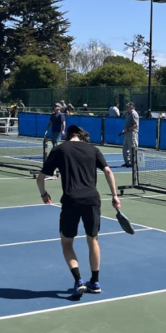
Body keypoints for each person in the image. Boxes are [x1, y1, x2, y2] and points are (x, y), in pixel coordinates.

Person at [35, 125, 121, 296]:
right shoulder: (93, 149)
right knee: (93, 240)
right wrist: (115, 196)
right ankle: (95, 282)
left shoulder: (60, 150)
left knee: (67, 243)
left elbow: (40, 178)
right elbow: (108, 171)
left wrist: (44, 194)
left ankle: (78, 281)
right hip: (92, 200)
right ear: (82, 136)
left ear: (68, 135)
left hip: (71, 201)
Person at [119, 102, 139, 168]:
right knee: (125, 148)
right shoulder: (128, 114)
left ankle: (134, 163)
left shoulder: (134, 113)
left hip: (132, 133)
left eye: (128, 106)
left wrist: (127, 129)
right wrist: (124, 131)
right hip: (127, 133)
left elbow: (136, 125)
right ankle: (127, 162)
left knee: (132, 148)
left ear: (132, 107)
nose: (126, 107)